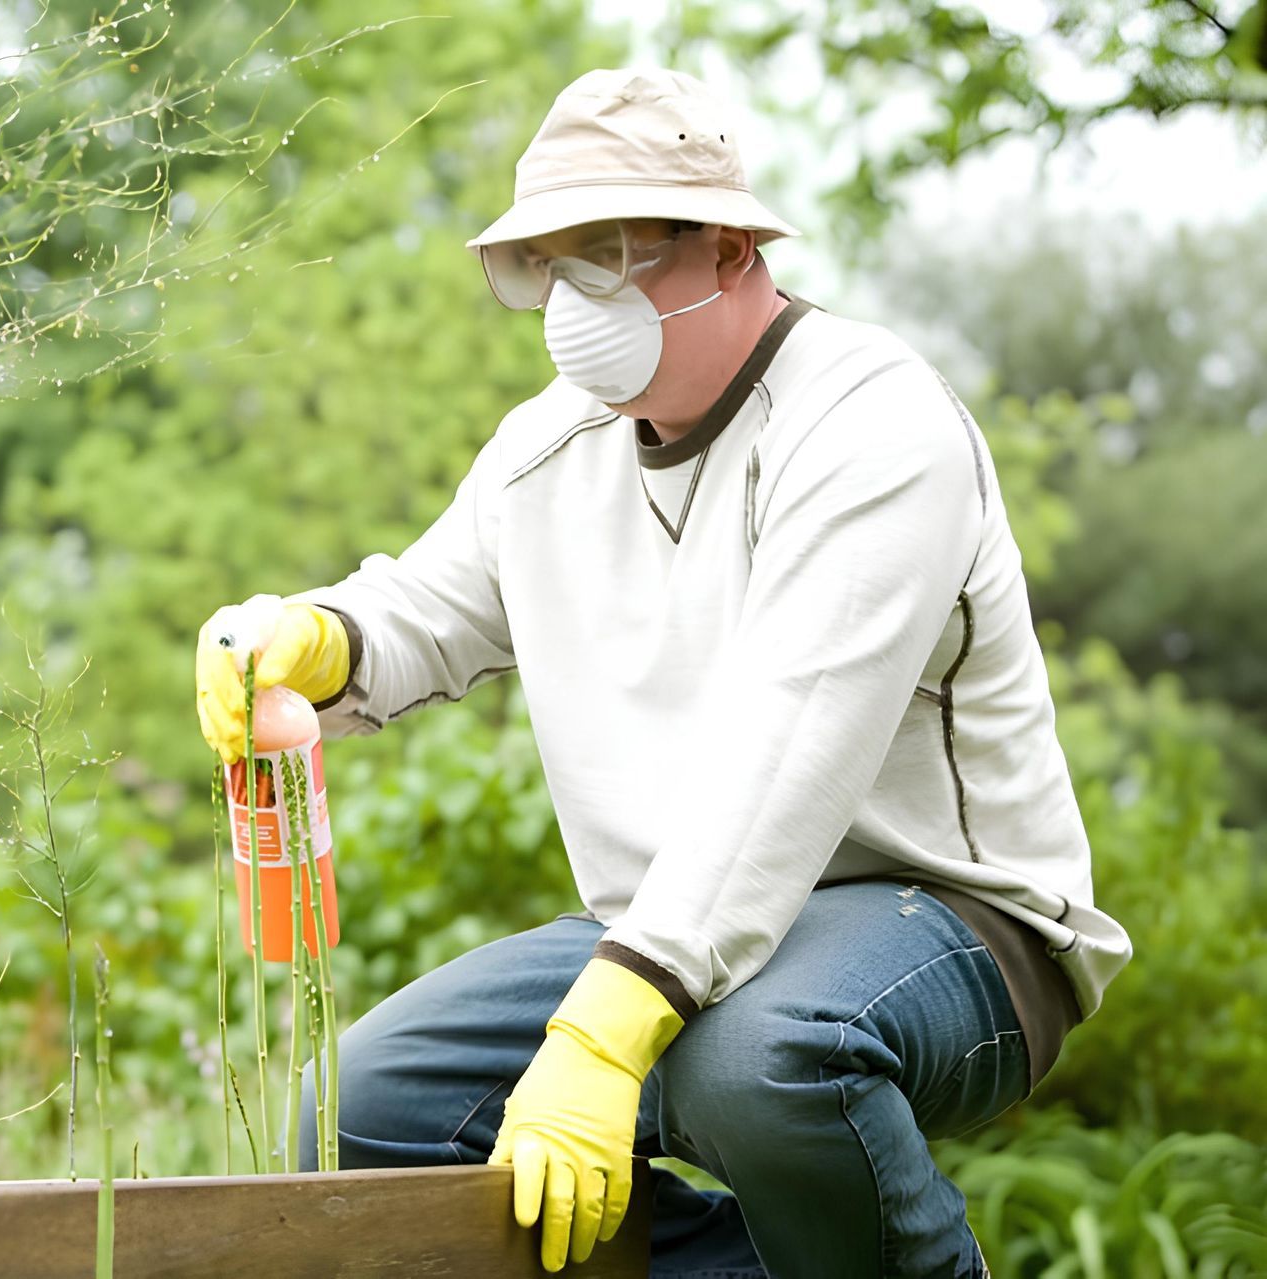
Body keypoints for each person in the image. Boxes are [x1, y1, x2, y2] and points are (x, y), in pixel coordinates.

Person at [193, 67, 1130, 1278]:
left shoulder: (871, 422)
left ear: (732, 246)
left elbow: (792, 756)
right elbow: (425, 609)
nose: (575, 298)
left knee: (754, 1056)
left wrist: (603, 1030)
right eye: (549, 262)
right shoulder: (549, 445)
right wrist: (312, 638)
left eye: (616, 252)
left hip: (950, 918)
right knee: (362, 1117)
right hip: (664, 933)